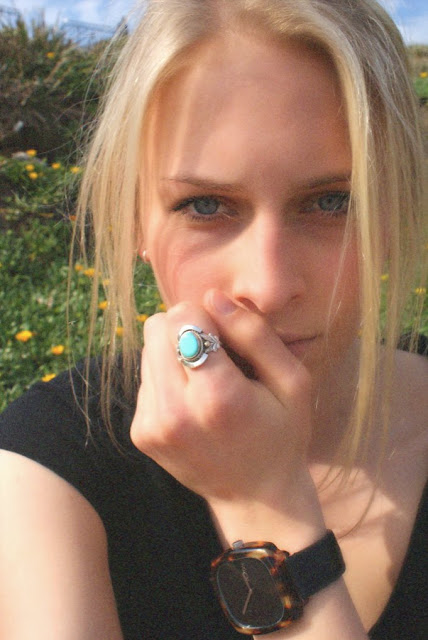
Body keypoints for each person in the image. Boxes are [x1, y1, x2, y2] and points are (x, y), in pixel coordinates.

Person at [0, 0, 427, 638]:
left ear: (391, 209)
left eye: (332, 202)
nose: (269, 287)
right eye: (204, 205)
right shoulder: (45, 466)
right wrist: (266, 500)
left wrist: (264, 504)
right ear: (134, 221)